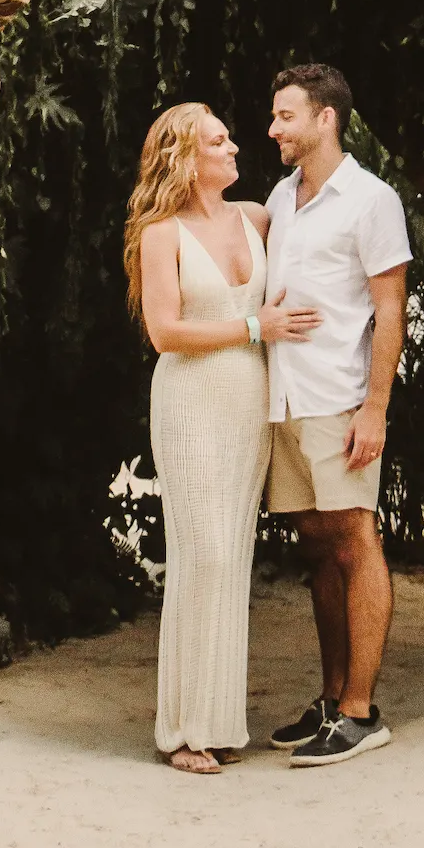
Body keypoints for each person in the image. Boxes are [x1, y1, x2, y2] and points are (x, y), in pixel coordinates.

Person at [125, 102, 321, 774]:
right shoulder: (161, 233)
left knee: (232, 556)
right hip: (190, 401)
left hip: (247, 406)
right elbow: (164, 333)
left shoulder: (257, 218)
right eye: (218, 140)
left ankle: (217, 722)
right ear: (187, 158)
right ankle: (181, 730)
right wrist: (253, 329)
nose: (234, 146)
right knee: (202, 553)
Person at [262, 65, 412, 766]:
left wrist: (374, 408)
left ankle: (361, 712)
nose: (273, 129)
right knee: (317, 549)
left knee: (355, 540)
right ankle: (330, 702)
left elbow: (390, 309)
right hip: (285, 398)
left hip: (339, 397)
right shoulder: (281, 198)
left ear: (326, 119)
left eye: (285, 116)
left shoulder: (372, 200)